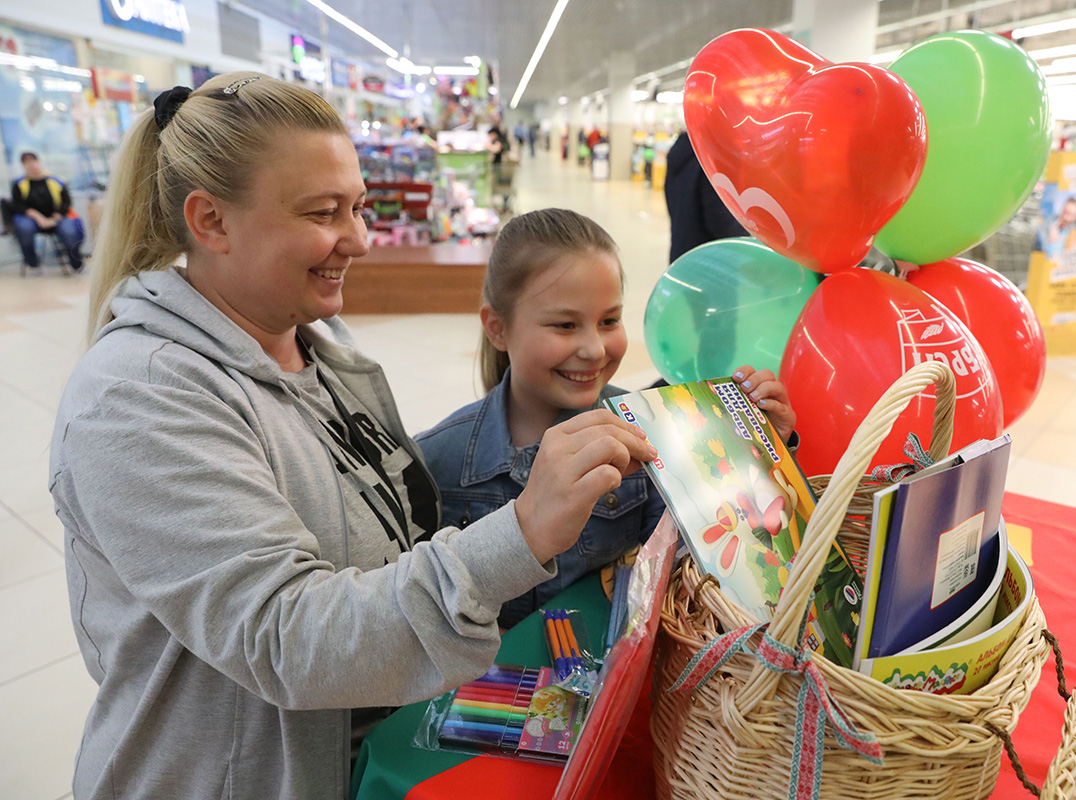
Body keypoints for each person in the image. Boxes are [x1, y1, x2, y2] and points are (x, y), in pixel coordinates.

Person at [47, 73, 655, 800]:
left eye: (359, 208)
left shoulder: (317, 348)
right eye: (323, 212)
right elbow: (288, 638)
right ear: (211, 221)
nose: (360, 239)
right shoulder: (137, 397)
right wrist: (519, 532)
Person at [415, 208, 795, 628]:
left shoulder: (652, 432)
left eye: (609, 320)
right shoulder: (436, 462)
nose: (594, 349)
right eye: (565, 325)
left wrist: (756, 454)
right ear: (498, 328)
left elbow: (702, 569)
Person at [664, 131, 747, 262]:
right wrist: (749, 234)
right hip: (712, 262)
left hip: (682, 254)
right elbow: (720, 222)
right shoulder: (714, 154)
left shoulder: (681, 151)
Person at [10, 151, 86, 271]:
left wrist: (55, 217)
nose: (31, 165)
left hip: (57, 218)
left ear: (38, 162)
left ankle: (76, 264)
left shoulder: (56, 180)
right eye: (26, 163)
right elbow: (18, 205)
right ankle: (33, 263)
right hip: (32, 219)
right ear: (23, 165)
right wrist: (38, 217)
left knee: (70, 231)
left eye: (33, 161)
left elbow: (66, 202)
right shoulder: (19, 184)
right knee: (24, 228)